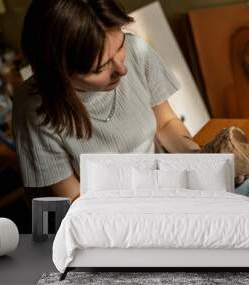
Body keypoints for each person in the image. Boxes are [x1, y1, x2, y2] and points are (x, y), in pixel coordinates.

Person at [12, 0, 202, 203]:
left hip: (162, 184)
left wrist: (199, 159)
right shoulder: (33, 109)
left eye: (120, 46)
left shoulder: (137, 51)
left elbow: (165, 124)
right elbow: (75, 199)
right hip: (106, 212)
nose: (122, 69)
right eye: (100, 68)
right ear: (59, 73)